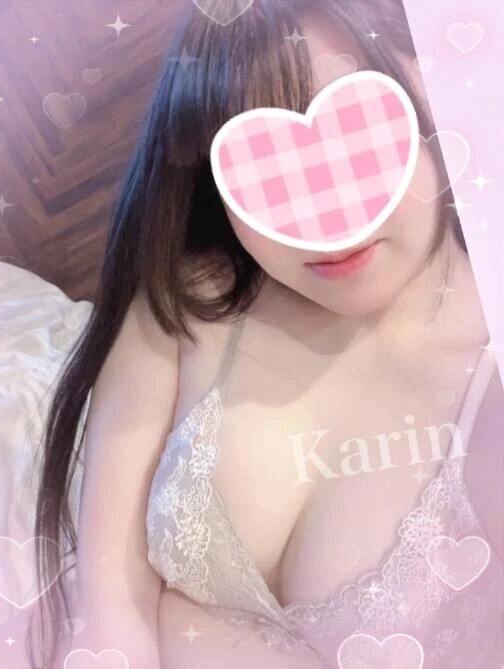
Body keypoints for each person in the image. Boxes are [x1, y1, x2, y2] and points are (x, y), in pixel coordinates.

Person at [28, 1, 504, 667]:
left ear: (436, 85)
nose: (326, 215)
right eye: (266, 167)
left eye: (359, 134)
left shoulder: (486, 386)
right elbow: (109, 604)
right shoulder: (189, 297)